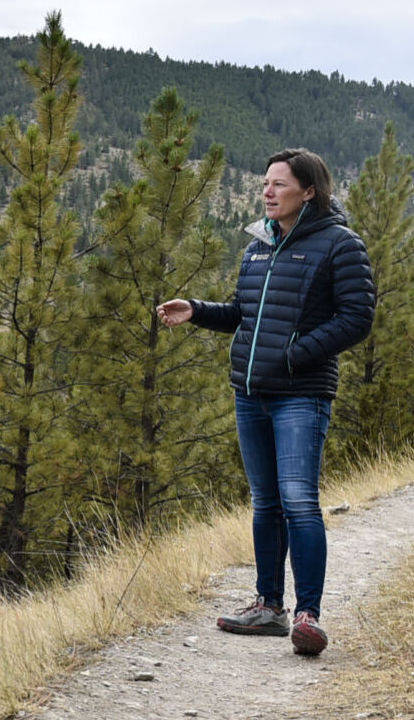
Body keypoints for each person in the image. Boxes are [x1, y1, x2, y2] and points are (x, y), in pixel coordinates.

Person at [157, 148, 374, 656]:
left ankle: (308, 616)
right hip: (250, 394)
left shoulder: (340, 245)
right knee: (266, 504)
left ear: (309, 191)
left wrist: (295, 357)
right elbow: (245, 314)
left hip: (301, 395)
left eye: (279, 184)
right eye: (265, 184)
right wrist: (198, 311)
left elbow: (356, 318)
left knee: (299, 502)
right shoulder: (258, 246)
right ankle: (269, 607)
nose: (268, 192)